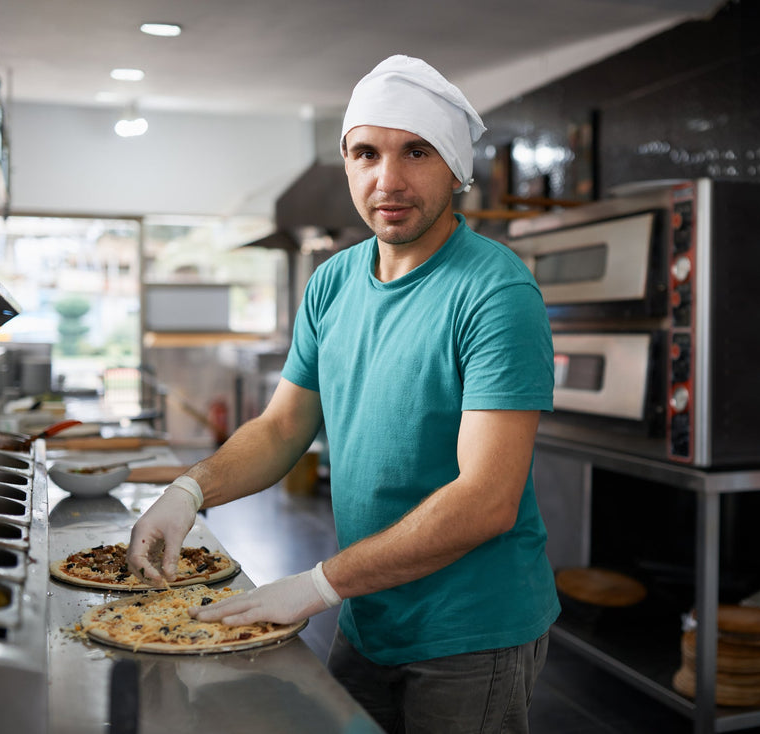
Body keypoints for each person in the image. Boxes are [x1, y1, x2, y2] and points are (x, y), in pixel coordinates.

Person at [127, 54, 559, 733]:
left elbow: (487, 501)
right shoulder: (332, 282)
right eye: (366, 153)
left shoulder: (494, 293)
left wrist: (317, 585)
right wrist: (188, 491)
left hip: (470, 631)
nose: (387, 180)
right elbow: (280, 430)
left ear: (454, 168)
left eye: (415, 152)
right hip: (369, 612)